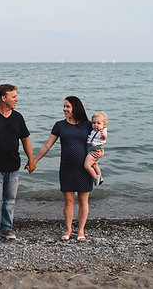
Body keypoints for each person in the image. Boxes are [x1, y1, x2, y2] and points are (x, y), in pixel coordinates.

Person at [32, 96, 103, 242]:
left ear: (75, 108)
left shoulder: (88, 125)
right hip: (66, 168)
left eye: (67, 106)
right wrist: (34, 161)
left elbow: (99, 142)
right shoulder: (60, 125)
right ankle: (69, 229)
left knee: (83, 201)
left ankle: (81, 230)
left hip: (84, 168)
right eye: (64, 106)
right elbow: (47, 145)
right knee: (68, 200)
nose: (64, 109)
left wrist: (100, 155)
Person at [0, 84, 36, 243]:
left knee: (9, 201)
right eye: (13, 96)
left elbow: (25, 140)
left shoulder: (18, 117)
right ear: (4, 98)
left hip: (13, 164)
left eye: (16, 96)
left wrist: (31, 160)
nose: (17, 99)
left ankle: (6, 229)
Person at [84, 112, 108, 186]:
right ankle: (100, 177)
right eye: (94, 123)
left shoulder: (102, 131)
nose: (96, 125)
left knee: (87, 166)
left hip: (95, 149)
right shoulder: (94, 131)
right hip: (92, 148)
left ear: (104, 125)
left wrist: (104, 136)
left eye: (98, 123)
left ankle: (95, 178)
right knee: (95, 165)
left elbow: (104, 138)